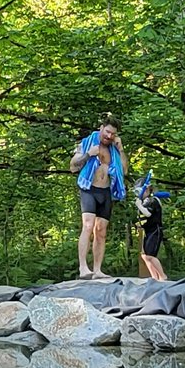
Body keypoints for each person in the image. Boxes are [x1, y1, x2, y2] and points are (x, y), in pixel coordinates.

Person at [68, 115, 127, 280]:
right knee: (88, 226)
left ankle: (98, 270)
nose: (109, 136)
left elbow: (124, 171)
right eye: (107, 132)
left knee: (101, 231)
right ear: (101, 128)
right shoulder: (87, 143)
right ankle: (83, 268)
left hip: (105, 191)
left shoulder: (114, 149)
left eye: (113, 134)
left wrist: (121, 150)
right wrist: (88, 154)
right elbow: (73, 167)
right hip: (89, 189)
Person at [133, 176, 170, 281]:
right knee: (145, 256)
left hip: (155, 231)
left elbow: (148, 214)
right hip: (148, 231)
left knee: (151, 256)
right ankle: (154, 278)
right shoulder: (145, 201)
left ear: (147, 189)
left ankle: (163, 277)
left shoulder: (152, 200)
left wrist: (139, 206)